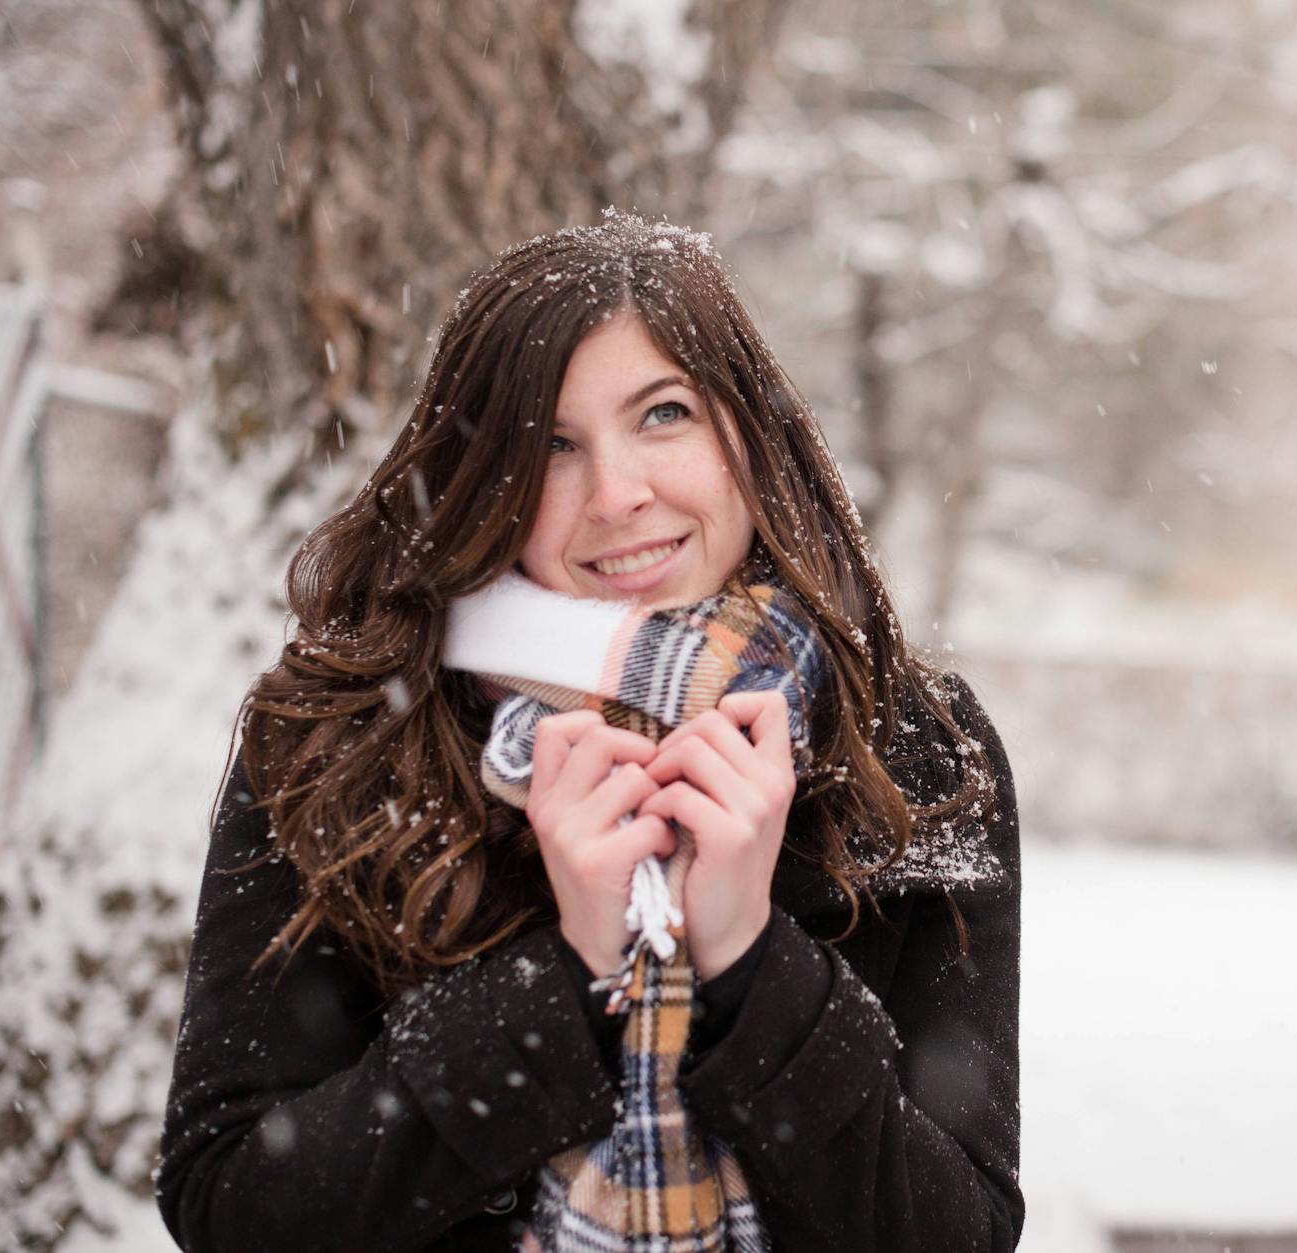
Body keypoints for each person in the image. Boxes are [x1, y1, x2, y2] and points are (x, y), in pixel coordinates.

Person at [155, 212, 1023, 1253]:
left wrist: (749, 959)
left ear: (748, 432)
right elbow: (233, 1206)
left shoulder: (915, 751)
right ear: (478, 481)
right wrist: (564, 972)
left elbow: (958, 1232)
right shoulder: (339, 733)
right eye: (549, 446)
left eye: (663, 414)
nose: (616, 494)